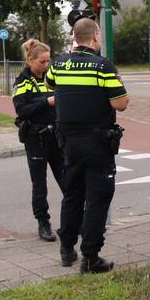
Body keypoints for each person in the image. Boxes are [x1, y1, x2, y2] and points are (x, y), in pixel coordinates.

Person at [46, 18, 129, 274]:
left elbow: (50, 85)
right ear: (94, 36)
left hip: (68, 143)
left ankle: (66, 248)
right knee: (97, 197)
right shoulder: (103, 67)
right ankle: (90, 257)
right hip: (97, 142)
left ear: (74, 37)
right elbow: (120, 103)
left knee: (72, 195)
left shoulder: (58, 64)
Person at [12, 38, 65, 242]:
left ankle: (73, 220)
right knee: (39, 184)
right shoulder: (22, 81)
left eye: (48, 61)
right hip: (36, 138)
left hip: (56, 136)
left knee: (66, 179)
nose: (46, 65)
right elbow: (22, 109)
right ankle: (43, 223)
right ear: (30, 60)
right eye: (42, 62)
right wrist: (46, 101)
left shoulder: (51, 78)